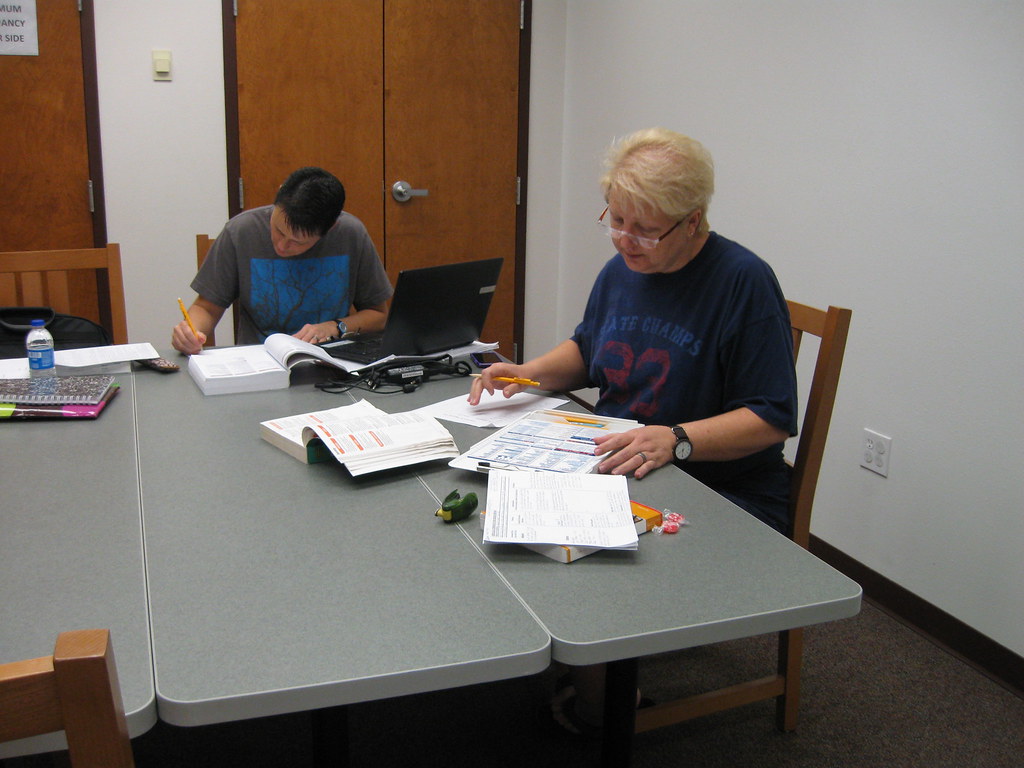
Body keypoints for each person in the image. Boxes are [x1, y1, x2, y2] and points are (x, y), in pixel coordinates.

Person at [467, 127, 798, 734]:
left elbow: (772, 416)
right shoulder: (622, 269)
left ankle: (604, 706)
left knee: (578, 549)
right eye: (616, 220)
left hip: (720, 486)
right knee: (497, 499)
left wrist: (676, 437)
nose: (625, 240)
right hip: (620, 456)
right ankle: (570, 654)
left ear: (693, 222)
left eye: (645, 229)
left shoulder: (744, 283)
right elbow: (589, 349)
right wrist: (530, 372)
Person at [172, 166, 392, 354]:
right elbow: (208, 307)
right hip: (259, 363)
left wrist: (334, 327)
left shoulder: (350, 234)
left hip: (331, 363)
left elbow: (379, 315)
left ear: (331, 227)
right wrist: (191, 333)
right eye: (278, 230)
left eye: (298, 242)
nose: (282, 246)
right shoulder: (241, 232)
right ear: (277, 200)